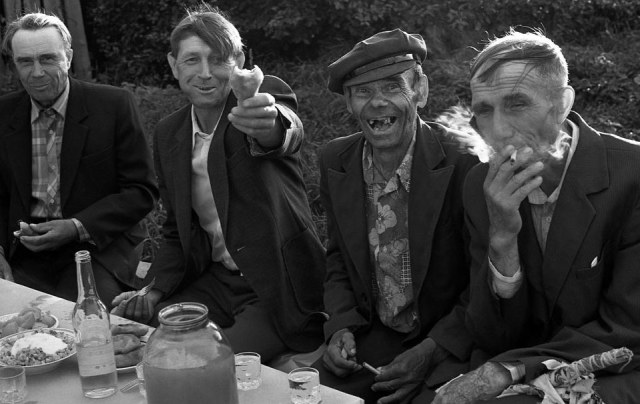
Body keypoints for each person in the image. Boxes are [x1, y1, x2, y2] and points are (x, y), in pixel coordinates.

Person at [427, 29, 640, 403]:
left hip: (617, 368)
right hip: (519, 362)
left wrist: (508, 370)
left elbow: (627, 330)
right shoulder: (480, 184)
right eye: (484, 110)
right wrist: (502, 241)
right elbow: (490, 334)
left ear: (562, 103)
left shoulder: (632, 175)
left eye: (517, 104)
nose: (498, 130)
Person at [111, 4, 326, 362]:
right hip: (214, 283)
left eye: (218, 59)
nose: (205, 73)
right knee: (142, 337)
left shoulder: (256, 101)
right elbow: (176, 230)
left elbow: (282, 129)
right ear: (173, 65)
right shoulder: (169, 133)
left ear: (238, 61)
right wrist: (153, 290)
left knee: (204, 361)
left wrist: (267, 122)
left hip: (276, 289)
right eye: (192, 60)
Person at [314, 29, 478, 403]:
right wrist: (340, 326)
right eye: (362, 92)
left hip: (448, 343)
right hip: (373, 336)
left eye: (392, 87)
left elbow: (483, 279)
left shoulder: (465, 163)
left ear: (420, 90)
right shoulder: (335, 161)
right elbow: (338, 258)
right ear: (349, 103)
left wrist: (434, 349)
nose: (377, 102)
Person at [0, 12, 158, 307]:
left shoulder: (113, 106)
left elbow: (142, 191)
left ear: (68, 57)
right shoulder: (4, 114)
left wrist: (75, 226)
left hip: (98, 247)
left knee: (84, 319)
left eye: (47, 59)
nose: (37, 72)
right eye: (25, 62)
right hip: (24, 251)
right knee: (13, 323)